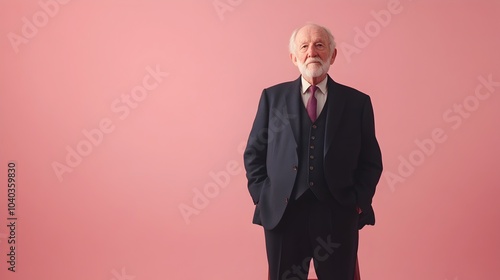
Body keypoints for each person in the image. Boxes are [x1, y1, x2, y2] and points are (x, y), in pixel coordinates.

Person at [243, 23, 383, 280]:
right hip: (283, 214)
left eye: (320, 45)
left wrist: (358, 202)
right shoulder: (271, 98)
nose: (312, 52)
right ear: (294, 57)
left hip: (337, 214)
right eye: (304, 46)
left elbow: (371, 160)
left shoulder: (357, 103)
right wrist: (263, 196)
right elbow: (253, 153)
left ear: (333, 54)